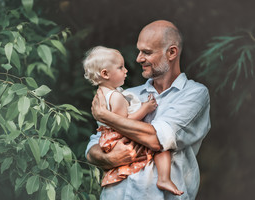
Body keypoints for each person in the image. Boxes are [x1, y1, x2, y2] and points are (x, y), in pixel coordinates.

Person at [85, 20, 211, 200]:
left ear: (172, 52)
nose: (138, 58)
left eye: (147, 52)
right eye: (139, 51)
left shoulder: (194, 94)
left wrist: (106, 116)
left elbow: (157, 139)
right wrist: (109, 158)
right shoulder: (126, 95)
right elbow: (93, 147)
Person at [83, 46, 183, 195]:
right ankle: (164, 178)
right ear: (105, 73)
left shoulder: (101, 95)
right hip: (119, 136)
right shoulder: (115, 96)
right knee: (162, 145)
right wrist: (145, 109)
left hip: (108, 138)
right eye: (120, 67)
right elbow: (123, 121)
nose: (126, 70)